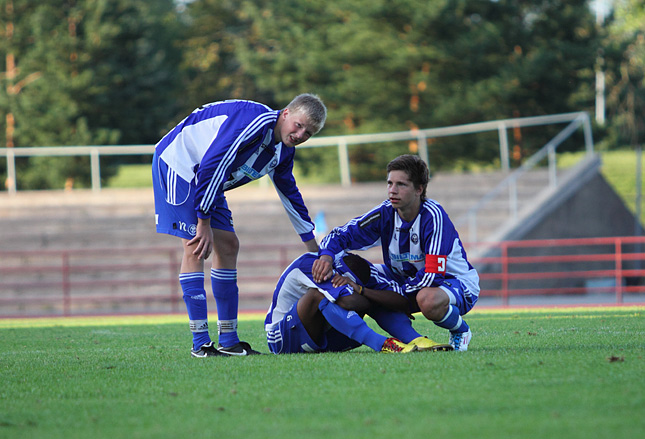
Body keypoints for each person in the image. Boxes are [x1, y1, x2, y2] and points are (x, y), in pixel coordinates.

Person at [153, 94, 327, 357]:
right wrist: (203, 222)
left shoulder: (283, 151)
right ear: (286, 113)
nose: (301, 134)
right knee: (196, 246)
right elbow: (212, 164)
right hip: (180, 165)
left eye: (309, 133)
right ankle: (200, 343)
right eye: (299, 125)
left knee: (229, 245)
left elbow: (291, 197)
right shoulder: (255, 121)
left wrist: (315, 251)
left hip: (208, 179)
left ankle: (229, 340)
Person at [313, 154, 480, 351]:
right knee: (343, 262)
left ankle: (461, 329)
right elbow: (341, 234)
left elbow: (432, 275)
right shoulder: (385, 213)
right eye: (390, 183)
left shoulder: (434, 217)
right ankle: (411, 339)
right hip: (403, 278)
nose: (392, 190)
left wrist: (390, 295)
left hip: (452, 282)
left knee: (427, 300)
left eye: (401, 184)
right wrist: (325, 256)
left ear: (419, 189)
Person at [266, 251, 433, 354]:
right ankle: (383, 344)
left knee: (372, 296)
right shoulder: (316, 266)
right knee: (320, 295)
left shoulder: (367, 269)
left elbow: (402, 301)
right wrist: (362, 294)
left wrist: (362, 290)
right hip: (281, 339)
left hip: (320, 339)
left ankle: (415, 339)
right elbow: (348, 301)